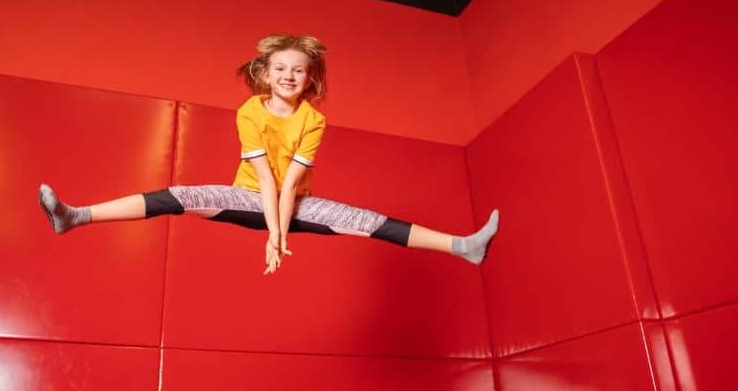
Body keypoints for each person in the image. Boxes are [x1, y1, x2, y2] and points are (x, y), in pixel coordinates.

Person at [39, 34, 498, 274]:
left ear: (310, 79)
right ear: (265, 73)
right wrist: (272, 236)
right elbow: (263, 179)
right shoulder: (249, 112)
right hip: (249, 198)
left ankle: (463, 247)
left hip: (294, 204)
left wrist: (278, 235)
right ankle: (76, 216)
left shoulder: (313, 120)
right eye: (281, 68)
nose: (289, 76)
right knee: (179, 196)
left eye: (299, 70)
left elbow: (290, 185)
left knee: (366, 221)